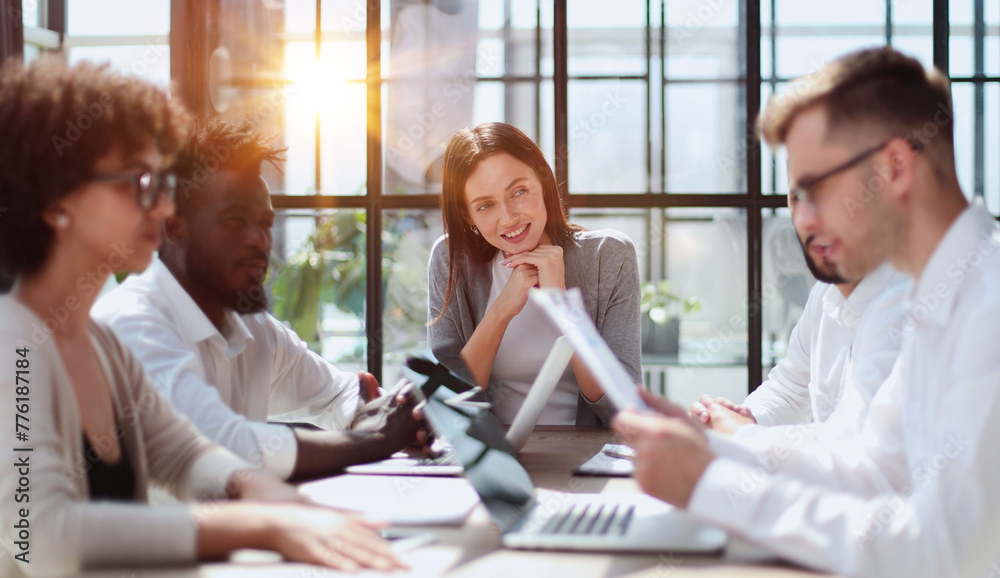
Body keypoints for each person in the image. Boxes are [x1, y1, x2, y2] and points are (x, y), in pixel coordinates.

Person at [0, 55, 404, 576]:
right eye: (137, 183)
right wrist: (264, 525)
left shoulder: (101, 346)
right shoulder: (15, 348)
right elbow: (42, 538)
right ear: (57, 201)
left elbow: (185, 454)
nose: (165, 209)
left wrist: (284, 504)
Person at [614, 46, 1000, 577]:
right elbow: (873, 470)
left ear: (894, 167)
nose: (804, 221)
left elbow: (947, 553)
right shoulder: (937, 299)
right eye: (795, 196)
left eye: (815, 189)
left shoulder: (988, 306)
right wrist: (705, 446)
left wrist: (714, 486)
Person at [92, 119, 425, 482]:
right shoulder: (131, 323)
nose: (259, 240)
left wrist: (396, 414)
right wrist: (374, 437)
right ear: (175, 229)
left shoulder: (250, 327)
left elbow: (337, 394)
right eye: (235, 221)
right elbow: (215, 445)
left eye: (265, 223)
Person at [427, 122, 641, 428]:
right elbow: (447, 402)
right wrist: (501, 310)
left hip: (583, 458)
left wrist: (563, 306)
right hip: (492, 457)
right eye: (486, 205)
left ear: (543, 182)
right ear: (467, 215)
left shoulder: (608, 255)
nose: (508, 217)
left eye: (518, 191)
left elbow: (623, 410)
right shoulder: (451, 261)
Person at [690, 229, 909, 441]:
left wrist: (743, 434)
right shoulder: (824, 292)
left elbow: (857, 442)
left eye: (825, 197)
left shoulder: (908, 303)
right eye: (797, 198)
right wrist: (745, 417)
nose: (808, 219)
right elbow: (790, 389)